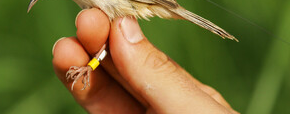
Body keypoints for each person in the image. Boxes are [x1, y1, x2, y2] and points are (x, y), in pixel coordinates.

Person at [52, 8, 239, 114]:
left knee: (104, 34)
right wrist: (90, 67)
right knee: (104, 39)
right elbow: (106, 47)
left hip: (138, 0)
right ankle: (91, 67)